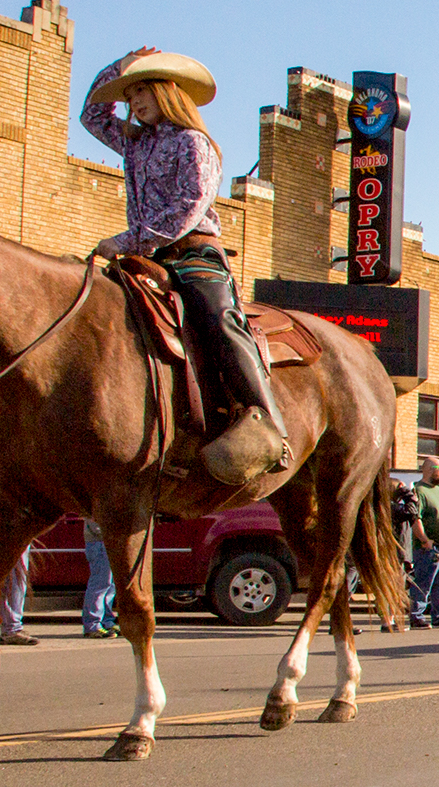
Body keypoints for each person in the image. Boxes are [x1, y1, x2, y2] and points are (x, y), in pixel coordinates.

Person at [80, 49, 289, 487]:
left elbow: (189, 208)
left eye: (142, 91)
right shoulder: (135, 142)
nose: (134, 102)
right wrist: (122, 65)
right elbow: (92, 116)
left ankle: (269, 426)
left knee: (220, 323)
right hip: (147, 257)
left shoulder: (194, 143)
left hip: (193, 253)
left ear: (167, 93)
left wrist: (126, 241)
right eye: (131, 94)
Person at [407, 457, 439, 627]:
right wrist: (424, 539)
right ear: (428, 469)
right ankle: (416, 615)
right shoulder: (419, 490)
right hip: (429, 548)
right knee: (423, 582)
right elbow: (415, 518)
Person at [81, 517, 119, 638]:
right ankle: (93, 624)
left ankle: (107, 621)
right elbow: (96, 525)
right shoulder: (97, 500)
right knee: (101, 584)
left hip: (109, 541)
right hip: (100, 542)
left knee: (111, 585)